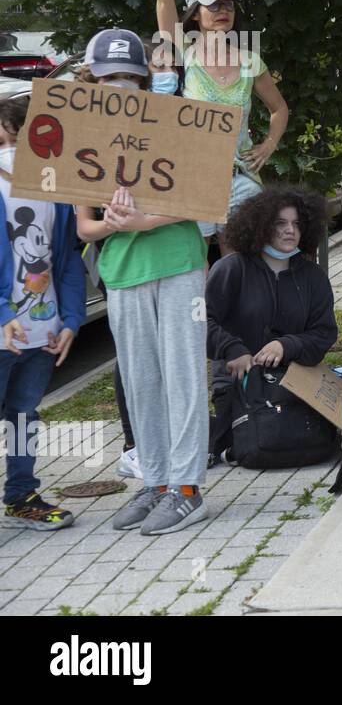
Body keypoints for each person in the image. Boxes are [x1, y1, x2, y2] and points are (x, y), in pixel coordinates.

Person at [73, 29, 210, 536]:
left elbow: (201, 199)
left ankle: (188, 488)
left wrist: (141, 221)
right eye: (110, 78)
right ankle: (155, 483)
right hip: (123, 273)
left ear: (146, 77)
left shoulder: (172, 125)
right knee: (140, 381)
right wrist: (112, 226)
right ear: (93, 80)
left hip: (178, 264)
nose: (121, 86)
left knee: (183, 376)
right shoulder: (82, 136)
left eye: (131, 76)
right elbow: (84, 226)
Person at [155, 0, 289, 255]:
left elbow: (279, 109)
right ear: (195, 14)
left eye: (228, 3)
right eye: (212, 4)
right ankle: (203, 312)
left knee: (241, 263)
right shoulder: (183, 51)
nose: (222, 9)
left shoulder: (249, 60)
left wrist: (268, 145)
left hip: (241, 179)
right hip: (195, 177)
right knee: (195, 264)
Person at [0, 96, 85, 530]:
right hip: (3, 332)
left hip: (41, 332)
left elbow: (68, 258)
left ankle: (21, 494)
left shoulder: (57, 189)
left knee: (23, 415)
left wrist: (71, 320)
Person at [205, 189, 339, 464]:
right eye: (280, 223)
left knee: (300, 441)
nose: (290, 230)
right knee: (254, 442)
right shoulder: (232, 268)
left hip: (293, 380)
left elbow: (324, 332)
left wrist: (287, 345)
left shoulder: (313, 277)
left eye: (297, 224)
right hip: (238, 382)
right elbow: (200, 322)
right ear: (261, 226)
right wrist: (234, 350)